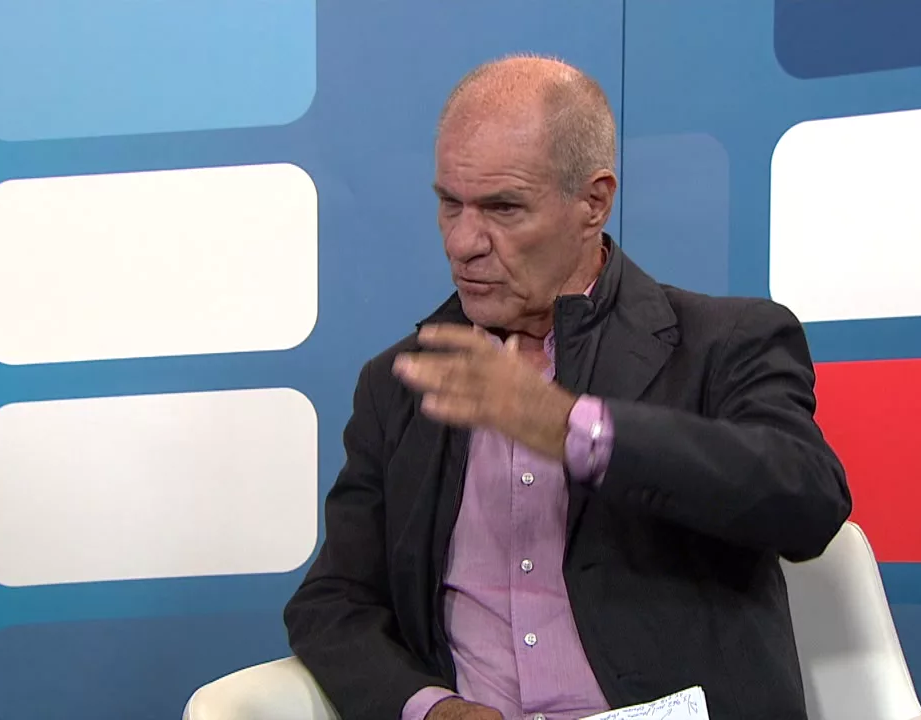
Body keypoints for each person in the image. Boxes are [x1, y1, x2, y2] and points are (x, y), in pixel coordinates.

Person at [284, 54, 851, 720]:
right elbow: (334, 602)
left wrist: (571, 427)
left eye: (503, 208)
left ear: (593, 202)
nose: (463, 243)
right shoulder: (401, 383)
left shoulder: (725, 342)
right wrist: (432, 709)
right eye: (449, 204)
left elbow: (807, 501)